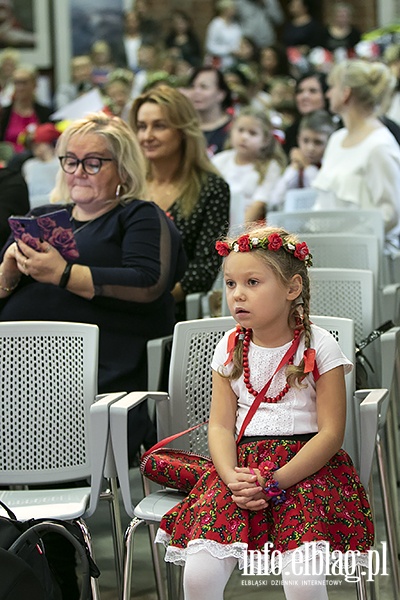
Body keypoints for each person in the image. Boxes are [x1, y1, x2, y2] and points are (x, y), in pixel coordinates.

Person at [155, 223, 373, 600]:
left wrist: (277, 482)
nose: (237, 295)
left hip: (305, 469)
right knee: (200, 574)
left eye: (252, 283)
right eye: (230, 284)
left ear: (292, 288)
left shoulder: (319, 345)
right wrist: (230, 478)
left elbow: (331, 433)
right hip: (241, 469)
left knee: (303, 580)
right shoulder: (228, 346)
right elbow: (222, 426)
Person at [0, 112, 187, 459]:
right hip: (18, 366)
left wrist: (63, 274)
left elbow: (149, 284)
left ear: (123, 168)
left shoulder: (138, 215)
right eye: (70, 161)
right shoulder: (43, 216)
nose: (78, 172)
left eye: (93, 162)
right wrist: (8, 275)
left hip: (97, 367)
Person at [130, 84, 230, 320]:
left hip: (173, 307)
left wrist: (149, 298)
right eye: (142, 127)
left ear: (183, 130)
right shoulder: (128, 183)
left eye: (159, 126)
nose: (147, 136)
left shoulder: (211, 188)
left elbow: (204, 268)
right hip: (123, 299)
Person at [312, 59, 400, 250]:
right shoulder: (336, 139)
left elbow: (390, 214)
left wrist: (349, 240)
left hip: (368, 253)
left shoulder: (379, 145)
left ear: (346, 93)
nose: (327, 93)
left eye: (332, 87)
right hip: (332, 248)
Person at [211, 106, 286, 228]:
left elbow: (259, 204)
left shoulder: (270, 166)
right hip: (217, 223)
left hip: (248, 228)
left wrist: (235, 233)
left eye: (253, 133)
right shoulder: (220, 160)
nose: (244, 137)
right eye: (240, 130)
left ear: (265, 140)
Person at [272, 109, 336, 209]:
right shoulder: (297, 166)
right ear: (298, 139)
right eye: (305, 141)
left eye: (318, 142)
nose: (310, 148)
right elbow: (275, 200)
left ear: (329, 143)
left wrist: (307, 166)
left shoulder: (331, 167)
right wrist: (293, 168)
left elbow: (321, 195)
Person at [0, 64, 52, 154]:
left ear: (34, 84)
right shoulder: (4, 113)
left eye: (24, 83)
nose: (20, 88)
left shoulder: (45, 113)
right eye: (16, 83)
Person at [187, 66, 233, 156]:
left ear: (221, 94)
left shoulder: (232, 129)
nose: (196, 91)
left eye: (204, 87)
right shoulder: (185, 127)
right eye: (192, 86)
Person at [282, 70, 329, 156]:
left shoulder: (338, 129)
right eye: (300, 91)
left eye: (313, 91)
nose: (305, 96)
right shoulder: (291, 132)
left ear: (326, 95)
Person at [21, 122, 61, 208]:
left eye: (38, 145)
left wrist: (49, 156)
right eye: (33, 146)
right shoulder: (29, 165)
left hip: (58, 204)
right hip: (34, 205)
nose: (35, 149)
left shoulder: (61, 162)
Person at [204, 0, 242, 71]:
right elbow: (210, 46)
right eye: (232, 8)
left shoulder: (235, 25)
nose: (234, 10)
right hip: (217, 63)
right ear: (225, 9)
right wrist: (229, 51)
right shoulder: (216, 24)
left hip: (233, 62)